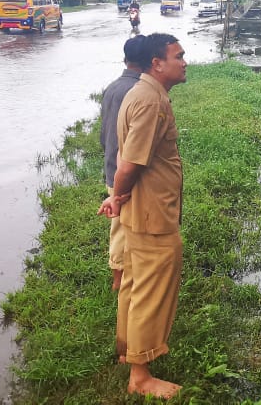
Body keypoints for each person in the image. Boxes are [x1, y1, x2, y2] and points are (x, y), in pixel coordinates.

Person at [98, 32, 188, 398]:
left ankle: (126, 349)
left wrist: (119, 198)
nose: (184, 62)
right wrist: (118, 195)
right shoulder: (150, 100)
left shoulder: (142, 93)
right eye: (178, 56)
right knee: (152, 292)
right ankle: (140, 375)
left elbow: (123, 158)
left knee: (133, 285)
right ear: (157, 63)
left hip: (142, 211)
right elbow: (130, 162)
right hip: (153, 216)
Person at [99, 36, 146, 294]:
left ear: (125, 59)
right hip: (126, 170)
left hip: (112, 165)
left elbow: (103, 131)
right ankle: (119, 279)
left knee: (120, 224)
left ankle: (122, 275)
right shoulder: (140, 91)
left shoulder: (112, 87)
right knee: (122, 225)